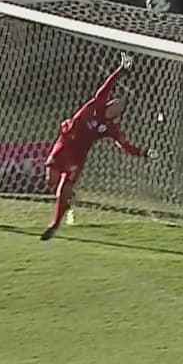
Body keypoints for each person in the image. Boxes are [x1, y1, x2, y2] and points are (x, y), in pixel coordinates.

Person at [40, 54, 146, 241]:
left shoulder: (111, 129)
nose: (116, 103)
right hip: (64, 144)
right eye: (116, 101)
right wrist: (122, 70)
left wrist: (144, 153)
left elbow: (125, 146)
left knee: (63, 187)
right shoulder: (98, 102)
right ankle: (68, 201)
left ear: (119, 114)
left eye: (120, 105)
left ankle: (55, 224)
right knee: (51, 179)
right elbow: (109, 84)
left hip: (78, 155)